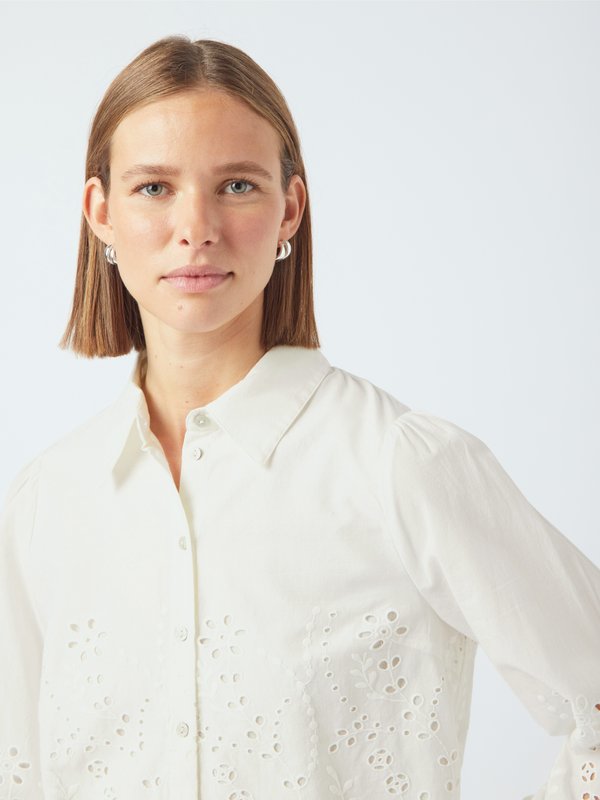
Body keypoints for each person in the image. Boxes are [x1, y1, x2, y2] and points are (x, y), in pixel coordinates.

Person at [0, 34, 598, 800]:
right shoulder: (48, 502)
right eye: (153, 187)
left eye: (236, 185)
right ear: (100, 211)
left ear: (290, 208)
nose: (196, 226)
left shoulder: (398, 466)